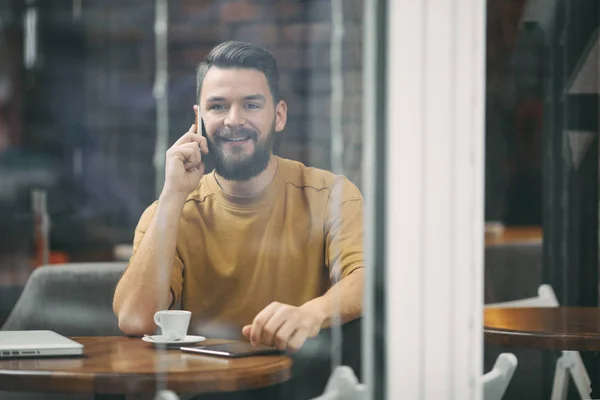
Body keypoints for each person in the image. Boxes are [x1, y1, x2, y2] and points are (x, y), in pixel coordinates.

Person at [112, 41, 364, 359]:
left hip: (299, 381)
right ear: (199, 118)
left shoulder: (331, 194)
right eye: (218, 106)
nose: (234, 120)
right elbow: (135, 319)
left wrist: (311, 314)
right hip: (206, 387)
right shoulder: (170, 210)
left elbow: (365, 280)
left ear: (279, 115)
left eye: (252, 105)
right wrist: (173, 195)